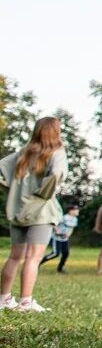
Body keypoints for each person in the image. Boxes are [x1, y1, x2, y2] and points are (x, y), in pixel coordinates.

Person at [0, 117, 67, 312]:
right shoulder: (57, 152)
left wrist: (10, 188)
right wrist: (44, 192)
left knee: (14, 256)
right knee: (33, 257)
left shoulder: (23, 153)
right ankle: (26, 302)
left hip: (19, 210)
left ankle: (3, 298)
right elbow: (57, 174)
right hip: (41, 212)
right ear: (55, 132)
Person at [41, 204, 78, 273]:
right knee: (55, 254)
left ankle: (60, 268)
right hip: (56, 238)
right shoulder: (64, 218)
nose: (76, 211)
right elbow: (53, 223)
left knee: (66, 253)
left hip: (65, 239)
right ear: (70, 211)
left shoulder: (75, 219)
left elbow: (71, 228)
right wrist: (57, 230)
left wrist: (69, 234)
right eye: (75, 210)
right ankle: (39, 263)